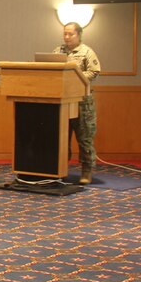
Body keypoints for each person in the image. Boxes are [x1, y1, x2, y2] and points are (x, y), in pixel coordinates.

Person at [56, 22, 101, 184]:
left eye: (70, 34)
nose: (67, 37)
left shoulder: (86, 52)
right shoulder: (58, 51)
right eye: (65, 34)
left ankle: (86, 171)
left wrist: (75, 76)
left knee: (84, 137)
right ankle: (60, 169)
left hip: (82, 101)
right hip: (63, 101)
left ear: (79, 35)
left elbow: (95, 72)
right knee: (61, 136)